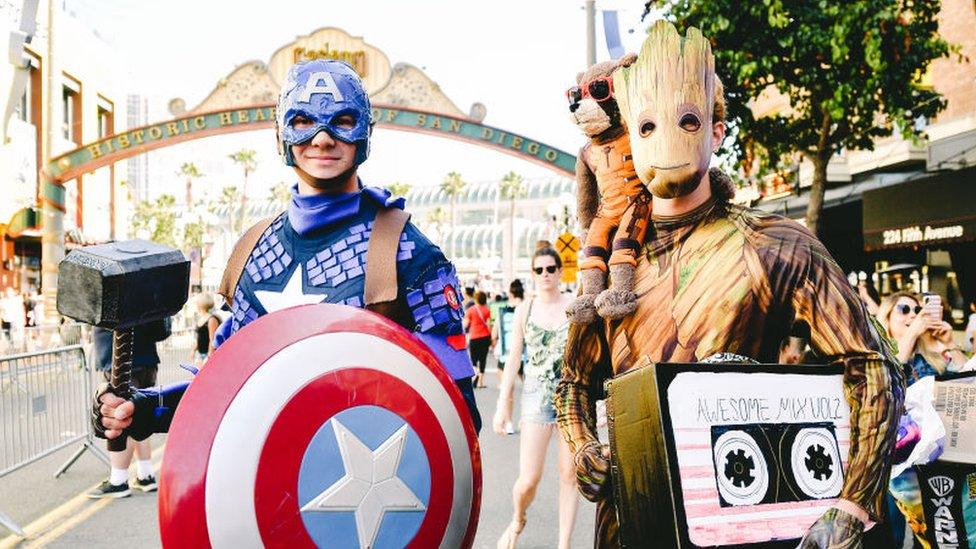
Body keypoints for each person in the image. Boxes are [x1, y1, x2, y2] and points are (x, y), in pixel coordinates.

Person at [555, 21, 903, 547]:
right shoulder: (604, 268)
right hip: (633, 524)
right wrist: (584, 451)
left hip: (752, 520)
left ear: (716, 131)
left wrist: (851, 506)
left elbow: (871, 367)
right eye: (645, 127)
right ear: (629, 131)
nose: (664, 139)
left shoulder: (779, 246)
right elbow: (573, 385)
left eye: (687, 120)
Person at [92, 59, 480, 451]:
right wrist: (144, 408)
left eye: (343, 121)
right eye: (303, 122)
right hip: (260, 492)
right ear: (280, 136)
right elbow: (227, 388)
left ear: (366, 132)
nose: (323, 139)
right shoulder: (253, 249)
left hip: (370, 493)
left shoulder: (407, 253)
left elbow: (458, 414)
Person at [493, 248, 578, 549]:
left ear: (560, 271)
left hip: (571, 397)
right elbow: (513, 358)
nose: (546, 275)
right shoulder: (524, 310)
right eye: (539, 270)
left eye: (551, 268)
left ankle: (563, 544)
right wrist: (504, 405)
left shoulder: (573, 305)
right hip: (536, 397)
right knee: (529, 479)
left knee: (570, 475)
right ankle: (517, 519)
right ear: (532, 274)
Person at [87, 319, 170, 498]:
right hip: (145, 360)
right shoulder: (147, 294)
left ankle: (118, 480)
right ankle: (145, 474)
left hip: (121, 360)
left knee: (122, 418)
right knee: (140, 415)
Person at [878, 291, 969, 382]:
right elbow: (890, 383)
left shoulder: (928, 353)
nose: (914, 315)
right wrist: (912, 332)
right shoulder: (876, 352)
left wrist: (949, 343)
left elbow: (968, 379)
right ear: (887, 316)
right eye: (904, 309)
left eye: (917, 310)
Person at [464, 290, 492, 388]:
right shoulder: (487, 310)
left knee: (473, 360)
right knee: (483, 359)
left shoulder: (470, 310)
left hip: (474, 338)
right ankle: (480, 382)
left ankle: (475, 374)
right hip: (485, 338)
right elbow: (489, 325)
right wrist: (491, 337)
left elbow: (465, 324)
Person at [192, 293, 220, 366]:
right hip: (201, 354)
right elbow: (198, 337)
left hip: (208, 355)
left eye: (196, 303)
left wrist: (209, 356)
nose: (195, 305)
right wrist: (193, 350)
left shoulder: (212, 319)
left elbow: (212, 339)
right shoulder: (200, 319)